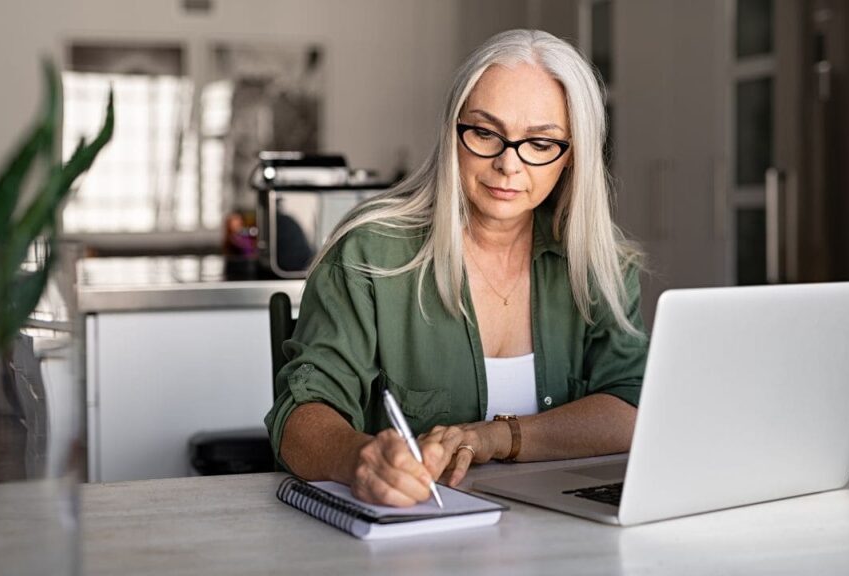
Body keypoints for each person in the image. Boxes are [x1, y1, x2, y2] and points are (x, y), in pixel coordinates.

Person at [265, 29, 648, 507]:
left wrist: (494, 437)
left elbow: (631, 407)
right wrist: (357, 458)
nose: (509, 165)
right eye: (486, 133)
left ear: (572, 157)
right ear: (453, 132)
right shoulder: (368, 252)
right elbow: (300, 414)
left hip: (567, 531)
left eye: (540, 142)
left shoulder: (599, 263)